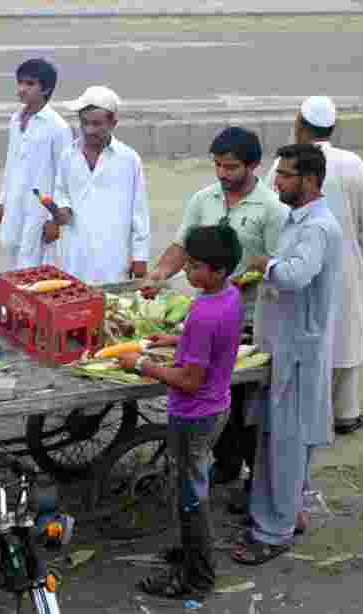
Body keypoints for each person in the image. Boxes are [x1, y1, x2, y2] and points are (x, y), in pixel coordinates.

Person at [147, 126, 288, 504]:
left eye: (231, 166)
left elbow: (276, 263)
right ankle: (224, 465)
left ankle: (252, 481)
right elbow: (183, 244)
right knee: (219, 399)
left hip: (248, 319)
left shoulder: (272, 209)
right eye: (218, 165)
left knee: (243, 406)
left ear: (254, 165)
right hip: (213, 307)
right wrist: (161, 273)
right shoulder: (203, 199)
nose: (222, 173)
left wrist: (241, 279)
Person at [116, 225, 245, 598]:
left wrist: (141, 365)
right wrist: (177, 340)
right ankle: (190, 553)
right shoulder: (228, 298)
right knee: (190, 489)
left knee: (191, 497)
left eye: (195, 267)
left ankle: (196, 579)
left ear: (218, 270)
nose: (187, 273)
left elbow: (188, 380)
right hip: (216, 406)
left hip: (194, 414)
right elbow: (216, 341)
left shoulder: (206, 313)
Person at [231, 144, 342, 565]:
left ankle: (272, 531)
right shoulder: (300, 220)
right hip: (284, 343)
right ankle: (288, 511)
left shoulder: (317, 227)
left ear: (311, 181)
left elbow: (296, 275)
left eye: (286, 176)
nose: (277, 182)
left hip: (297, 348)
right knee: (283, 437)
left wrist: (266, 264)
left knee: (284, 443)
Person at [263, 96, 363, 435]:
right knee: (345, 331)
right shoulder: (353, 163)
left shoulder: (285, 163)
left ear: (300, 125)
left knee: (308, 331)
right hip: (344, 265)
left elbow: (269, 211)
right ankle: (345, 413)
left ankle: (305, 414)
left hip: (299, 261)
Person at [52, 85, 150, 284]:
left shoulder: (129, 160)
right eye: (84, 123)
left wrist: (140, 256)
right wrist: (62, 209)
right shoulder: (68, 156)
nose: (89, 130)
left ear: (113, 122)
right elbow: (61, 192)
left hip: (114, 256)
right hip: (75, 253)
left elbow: (139, 211)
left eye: (97, 124)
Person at [0, 58, 74, 271]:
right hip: (15, 203)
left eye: (29, 84)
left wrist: (55, 220)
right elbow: (11, 165)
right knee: (12, 256)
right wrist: (1, 203)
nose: (22, 89)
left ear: (45, 89)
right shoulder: (16, 120)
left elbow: (64, 176)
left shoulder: (58, 127)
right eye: (20, 83)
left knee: (33, 266)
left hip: (40, 211)